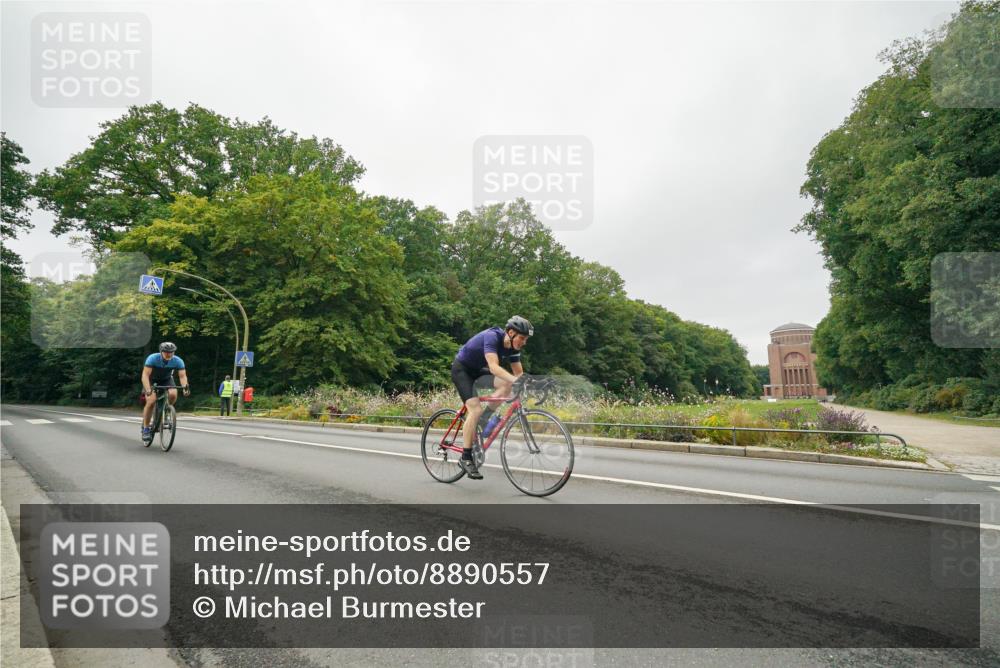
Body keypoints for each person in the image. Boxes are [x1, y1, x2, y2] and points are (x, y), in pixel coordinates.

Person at [451, 316, 533, 480]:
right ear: (510, 332)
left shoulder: (514, 348)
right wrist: (516, 380)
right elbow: (494, 368)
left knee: (506, 384)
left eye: (526, 339)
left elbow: (519, 375)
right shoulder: (492, 336)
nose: (524, 342)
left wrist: (531, 384)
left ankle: (483, 420)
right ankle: (466, 457)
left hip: (479, 371)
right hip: (462, 370)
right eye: (522, 338)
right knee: (475, 409)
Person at [141, 342, 190, 441]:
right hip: (151, 380)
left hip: (166, 379)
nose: (169, 354)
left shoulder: (178, 361)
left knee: (173, 394)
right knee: (151, 401)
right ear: (161, 352)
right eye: (166, 352)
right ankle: (146, 429)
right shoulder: (153, 358)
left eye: (171, 352)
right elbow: (145, 375)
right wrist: (148, 389)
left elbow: (182, 376)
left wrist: (185, 387)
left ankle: (167, 410)